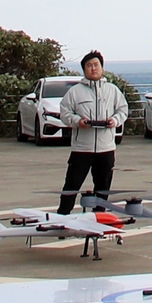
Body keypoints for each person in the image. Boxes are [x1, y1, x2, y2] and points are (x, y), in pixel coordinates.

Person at [57, 51, 130, 213]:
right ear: (84, 69)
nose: (93, 69)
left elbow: (123, 110)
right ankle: (62, 218)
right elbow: (65, 113)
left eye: (96, 65)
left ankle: (98, 217)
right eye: (89, 66)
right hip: (82, 149)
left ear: (102, 68)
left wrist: (114, 121)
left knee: (103, 187)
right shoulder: (75, 91)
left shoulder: (112, 90)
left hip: (106, 148)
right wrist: (78, 122)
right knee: (71, 185)